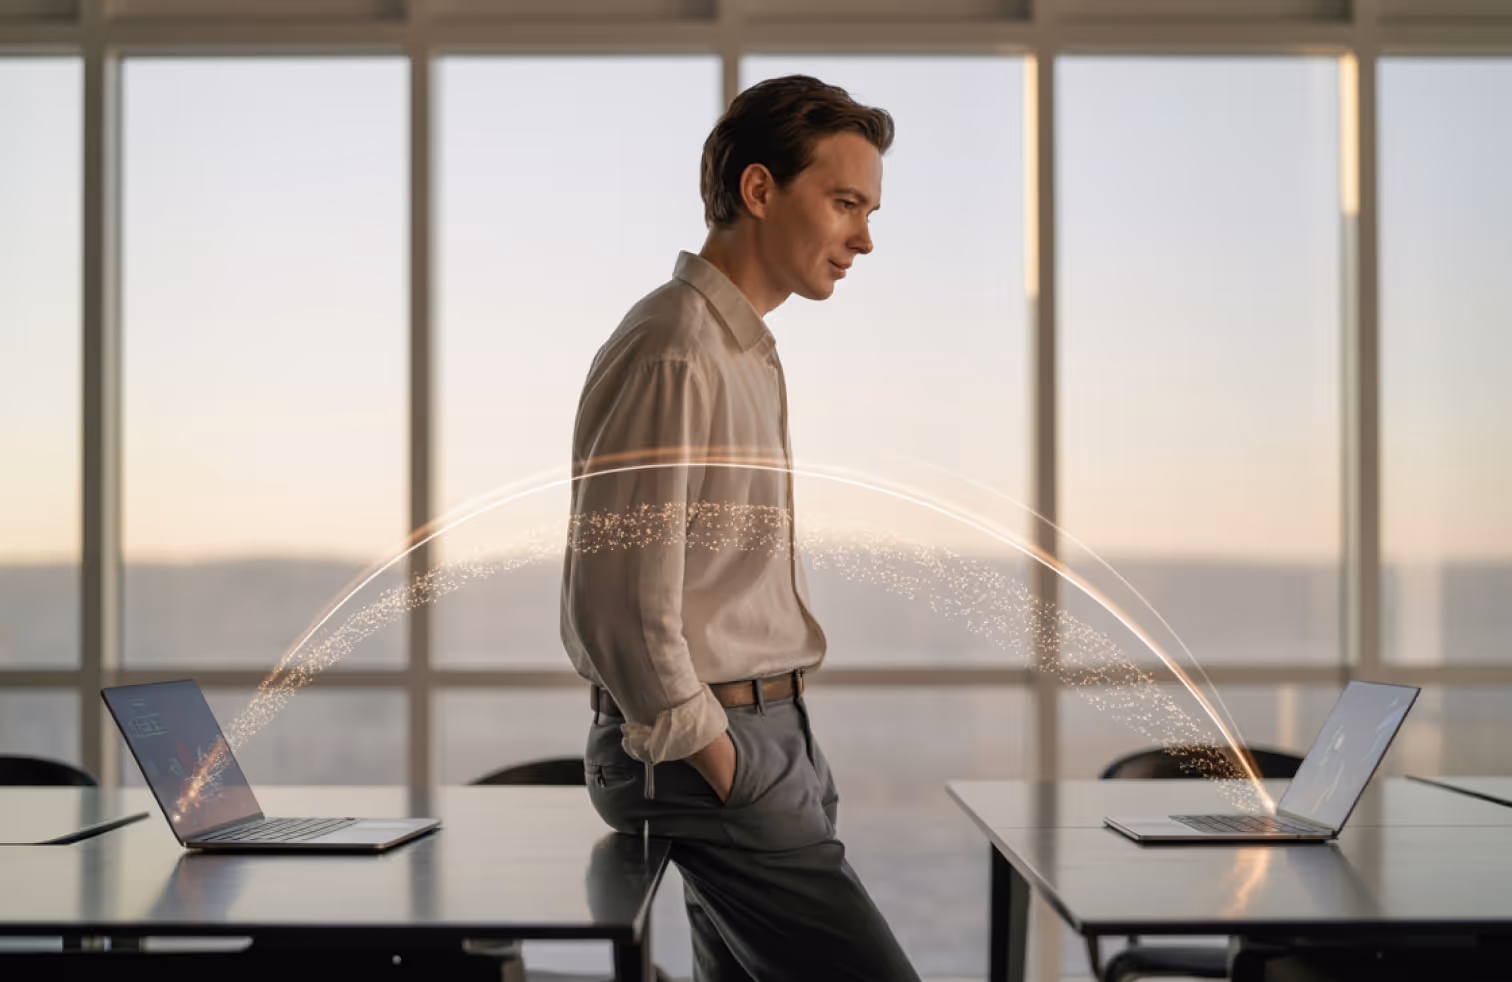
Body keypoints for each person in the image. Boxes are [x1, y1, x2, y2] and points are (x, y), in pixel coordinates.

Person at [560, 75, 919, 982]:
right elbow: (618, 604)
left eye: (868, 210)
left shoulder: (740, 349)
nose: (865, 238)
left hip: (763, 741)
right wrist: (720, 758)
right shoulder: (677, 347)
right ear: (760, 192)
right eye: (845, 203)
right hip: (711, 759)